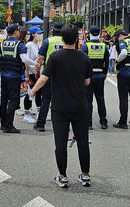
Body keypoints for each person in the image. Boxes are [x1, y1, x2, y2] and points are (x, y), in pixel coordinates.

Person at [29, 24, 92, 188]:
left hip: (60, 106)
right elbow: (87, 81)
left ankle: (63, 176)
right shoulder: (84, 57)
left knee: (61, 142)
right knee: (83, 141)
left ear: (62, 39)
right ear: (77, 39)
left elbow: (44, 78)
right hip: (80, 105)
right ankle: (85, 175)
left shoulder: (55, 57)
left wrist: (33, 91)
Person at [0, 23, 34, 134]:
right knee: (13, 101)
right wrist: (36, 64)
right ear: (16, 31)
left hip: (4, 77)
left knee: (3, 101)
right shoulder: (19, 44)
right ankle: (9, 125)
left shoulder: (2, 44)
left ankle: (3, 124)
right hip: (14, 77)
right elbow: (25, 59)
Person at [34, 22, 65, 131]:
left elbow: (40, 59)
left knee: (46, 100)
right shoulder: (68, 41)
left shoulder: (48, 41)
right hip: (64, 75)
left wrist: (37, 72)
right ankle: (62, 125)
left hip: (49, 74)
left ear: (53, 31)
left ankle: (40, 124)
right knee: (62, 100)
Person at [82, 25, 110, 129]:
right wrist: (105, 73)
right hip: (100, 75)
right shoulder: (104, 46)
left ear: (89, 34)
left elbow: (83, 62)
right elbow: (107, 62)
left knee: (88, 100)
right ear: (99, 34)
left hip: (88, 77)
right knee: (100, 99)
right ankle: (103, 122)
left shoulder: (86, 46)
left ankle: (88, 123)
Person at [113, 29, 130, 129]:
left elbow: (123, 53)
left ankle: (123, 122)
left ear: (120, 36)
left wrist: (117, 61)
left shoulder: (122, 42)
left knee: (123, 98)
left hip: (124, 72)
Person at [22, 26, 43, 123]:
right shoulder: (29, 45)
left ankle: (40, 112)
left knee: (38, 92)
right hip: (30, 73)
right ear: (33, 34)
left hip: (36, 73)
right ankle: (26, 114)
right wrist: (26, 75)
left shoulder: (37, 45)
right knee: (30, 93)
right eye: (38, 33)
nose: (40, 35)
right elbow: (26, 61)